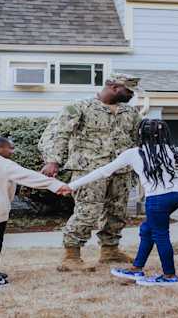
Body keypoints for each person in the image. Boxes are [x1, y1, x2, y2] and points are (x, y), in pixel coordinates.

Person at [68, 119, 178, 286]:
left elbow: (102, 171)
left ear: (140, 135)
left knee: (160, 235)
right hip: (176, 196)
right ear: (164, 134)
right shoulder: (175, 150)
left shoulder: (133, 153)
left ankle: (169, 275)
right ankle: (137, 268)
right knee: (147, 230)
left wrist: (72, 185)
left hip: (157, 199)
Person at [38, 73, 142, 272]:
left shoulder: (130, 112)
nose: (131, 95)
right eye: (128, 91)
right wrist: (53, 160)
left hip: (121, 171)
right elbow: (57, 133)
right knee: (87, 212)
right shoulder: (79, 107)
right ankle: (71, 256)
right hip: (89, 170)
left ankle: (110, 251)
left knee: (117, 212)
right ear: (113, 86)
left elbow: (138, 138)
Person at [0, 137, 72, 287]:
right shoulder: (3, 164)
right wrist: (56, 185)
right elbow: (29, 177)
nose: (12, 151)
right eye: (10, 148)